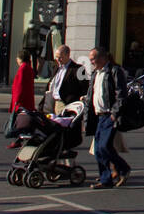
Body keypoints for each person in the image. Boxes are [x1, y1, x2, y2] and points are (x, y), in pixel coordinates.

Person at [84, 47, 131, 189]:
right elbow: (91, 94)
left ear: (102, 58)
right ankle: (106, 179)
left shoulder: (114, 71)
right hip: (98, 115)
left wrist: (114, 114)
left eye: (93, 59)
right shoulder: (95, 74)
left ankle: (123, 169)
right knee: (99, 149)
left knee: (104, 146)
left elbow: (121, 94)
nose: (91, 62)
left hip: (109, 115)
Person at [42, 45, 86, 115]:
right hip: (52, 102)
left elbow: (84, 87)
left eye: (60, 57)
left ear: (67, 55)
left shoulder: (78, 69)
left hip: (65, 103)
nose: (58, 60)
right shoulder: (56, 68)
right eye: (56, 57)